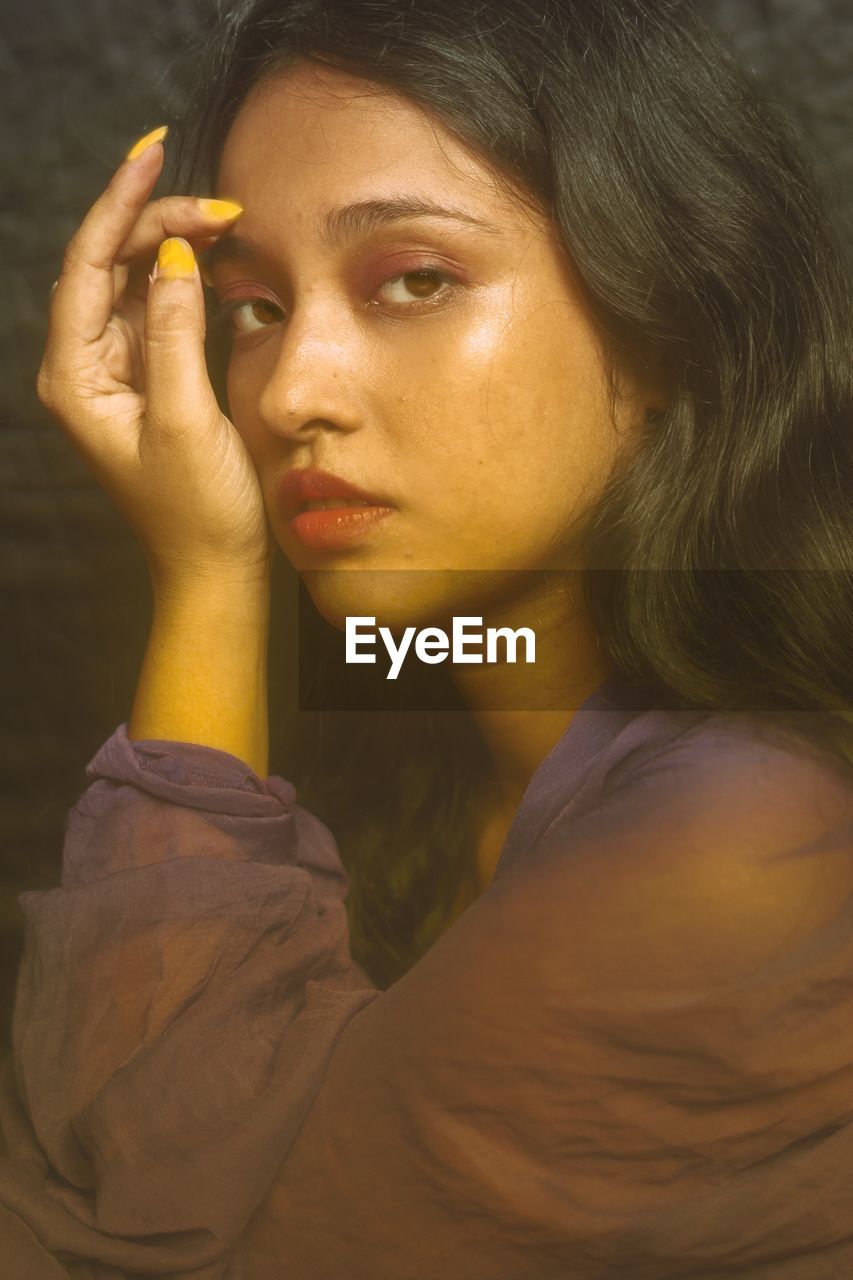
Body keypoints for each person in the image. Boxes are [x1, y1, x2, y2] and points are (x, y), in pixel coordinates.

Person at [1, 0, 852, 1275]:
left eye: (414, 279)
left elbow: (161, 1224)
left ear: (670, 314)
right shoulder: (424, 740)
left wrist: (209, 578)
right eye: (252, 308)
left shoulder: (753, 845)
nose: (291, 393)